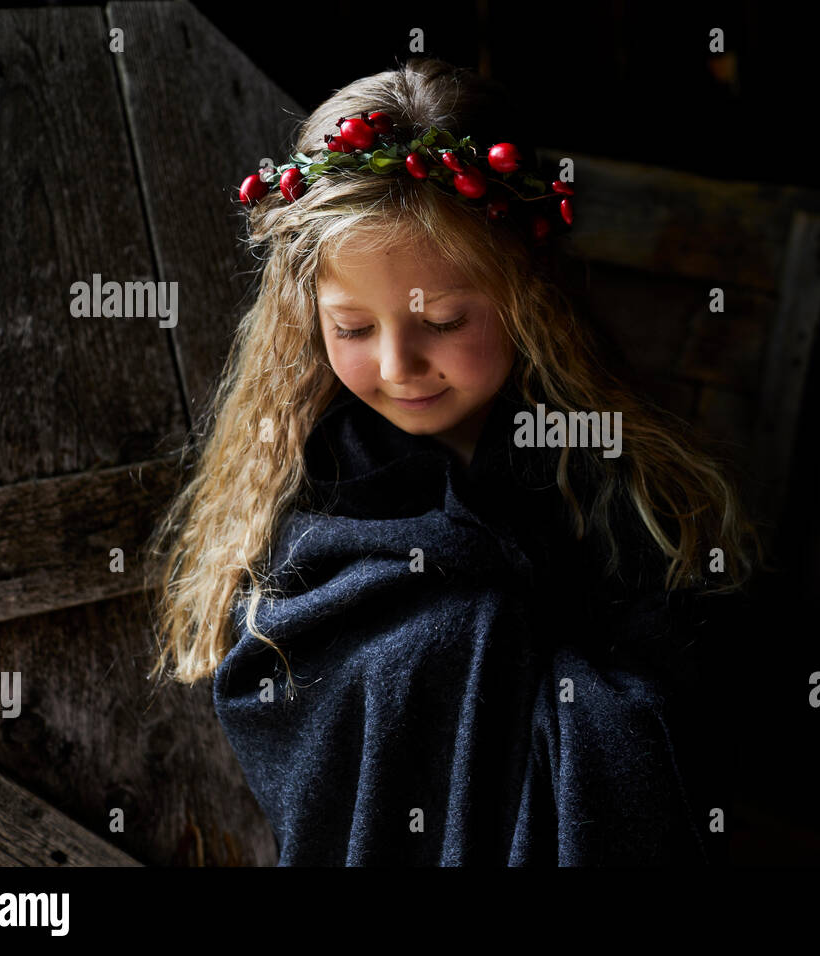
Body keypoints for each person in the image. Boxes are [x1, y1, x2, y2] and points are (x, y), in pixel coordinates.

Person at [144, 56, 762, 866]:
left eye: (440, 319)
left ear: (525, 296)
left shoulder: (613, 474)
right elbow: (283, 698)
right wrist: (469, 638)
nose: (399, 365)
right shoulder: (307, 491)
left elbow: (691, 697)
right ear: (307, 316)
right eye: (354, 329)